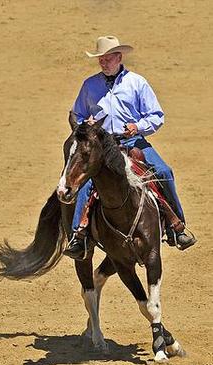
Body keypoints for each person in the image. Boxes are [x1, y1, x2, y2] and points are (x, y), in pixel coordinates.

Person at [64, 35, 196, 259]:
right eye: (101, 59)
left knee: (164, 172)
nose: (103, 63)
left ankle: (177, 228)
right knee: (86, 183)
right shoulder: (89, 85)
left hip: (133, 142)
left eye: (107, 59)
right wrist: (85, 124)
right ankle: (79, 236)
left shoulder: (137, 82)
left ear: (119, 57)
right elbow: (77, 113)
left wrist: (138, 126)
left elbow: (156, 116)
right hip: (103, 147)